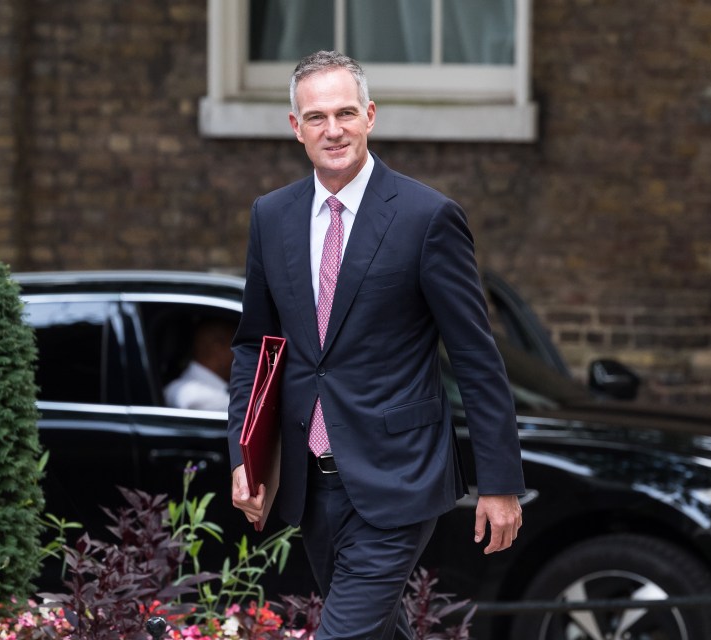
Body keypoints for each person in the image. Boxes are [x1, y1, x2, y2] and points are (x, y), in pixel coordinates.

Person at [226, 50, 524, 640]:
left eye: (345, 113)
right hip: (311, 483)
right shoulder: (272, 216)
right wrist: (246, 454)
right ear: (296, 128)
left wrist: (499, 482)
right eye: (317, 117)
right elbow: (256, 347)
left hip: (399, 476)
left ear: (370, 116)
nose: (333, 130)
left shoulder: (427, 217)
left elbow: (475, 357)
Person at [164, 319, 235, 411]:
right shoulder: (182, 390)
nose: (244, 356)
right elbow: (194, 401)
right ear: (217, 348)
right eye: (238, 348)